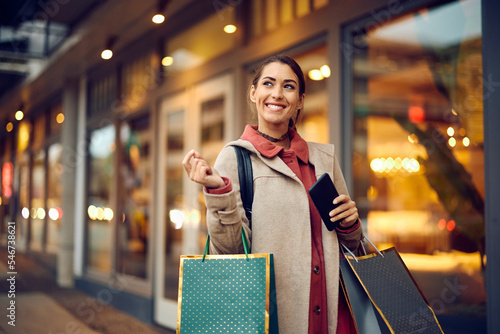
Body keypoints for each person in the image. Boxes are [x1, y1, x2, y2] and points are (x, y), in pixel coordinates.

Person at [182, 54, 362, 333]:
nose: (277, 94)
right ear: (254, 93)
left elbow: (350, 246)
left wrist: (350, 224)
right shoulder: (235, 157)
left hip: (331, 314)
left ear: (300, 100)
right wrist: (218, 191)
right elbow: (230, 251)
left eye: (288, 86)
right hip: (272, 315)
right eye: (268, 83)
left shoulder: (325, 158)